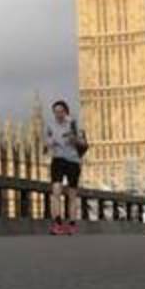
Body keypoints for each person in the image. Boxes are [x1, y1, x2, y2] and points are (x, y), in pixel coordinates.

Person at [43, 100, 87, 235]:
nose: (58, 114)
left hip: (73, 161)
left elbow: (83, 143)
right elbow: (46, 143)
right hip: (58, 160)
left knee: (72, 194)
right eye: (56, 112)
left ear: (65, 112)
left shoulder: (73, 124)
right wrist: (50, 143)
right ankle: (57, 223)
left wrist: (74, 139)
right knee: (56, 190)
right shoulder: (50, 125)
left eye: (61, 111)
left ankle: (72, 223)